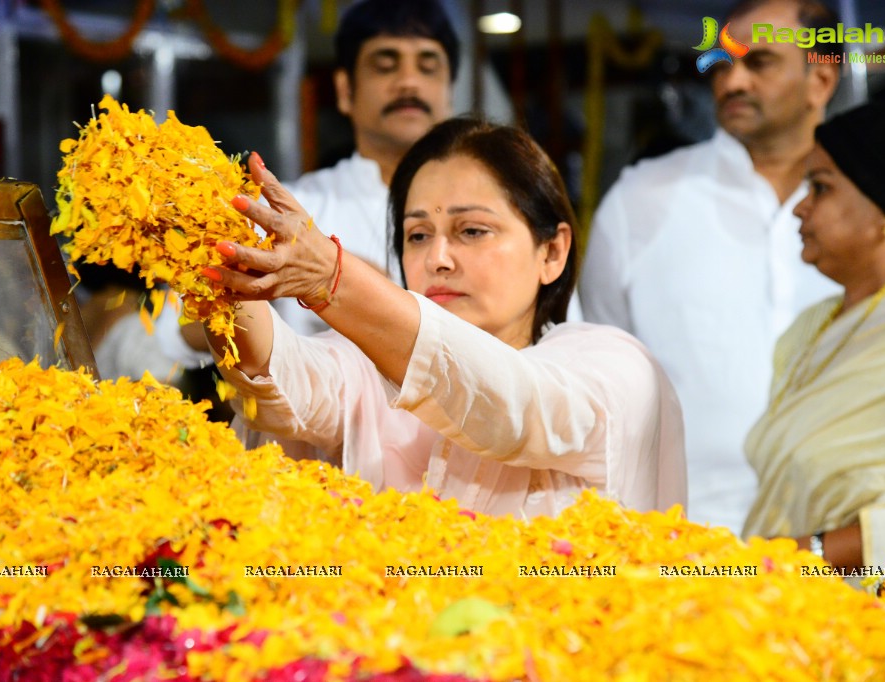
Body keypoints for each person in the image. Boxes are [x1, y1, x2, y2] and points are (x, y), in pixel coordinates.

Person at [197, 118, 686, 518]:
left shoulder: (613, 366)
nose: (439, 259)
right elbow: (280, 382)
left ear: (552, 252)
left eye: (472, 230)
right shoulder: (368, 367)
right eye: (417, 235)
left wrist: (332, 277)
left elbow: (515, 405)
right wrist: (212, 252)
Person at [577, 0, 842, 533]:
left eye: (758, 61)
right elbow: (596, 374)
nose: (730, 82)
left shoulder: (878, 209)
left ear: (820, 78)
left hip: (850, 546)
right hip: (684, 540)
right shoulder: (642, 199)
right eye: (722, 64)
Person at [156, 0, 459, 371]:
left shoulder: (485, 208)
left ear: (449, 90)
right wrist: (229, 291)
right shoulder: (293, 209)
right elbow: (170, 335)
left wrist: (346, 281)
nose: (409, 81)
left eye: (428, 66)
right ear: (345, 90)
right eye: (385, 64)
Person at [742, 102, 885, 570]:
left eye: (821, 187)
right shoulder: (813, 325)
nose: (799, 206)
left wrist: (803, 556)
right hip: (774, 600)